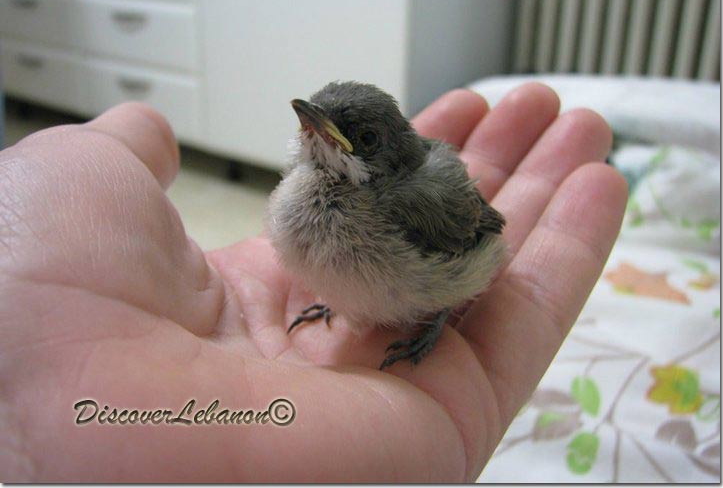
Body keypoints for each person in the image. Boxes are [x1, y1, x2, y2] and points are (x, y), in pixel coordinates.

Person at [0, 83, 626, 482]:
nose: (314, 129)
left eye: (363, 138)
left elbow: (485, 237)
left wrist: (437, 315)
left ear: (386, 152)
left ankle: (434, 317)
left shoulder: (411, 203)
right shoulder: (296, 195)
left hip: (450, 255)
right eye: (315, 124)